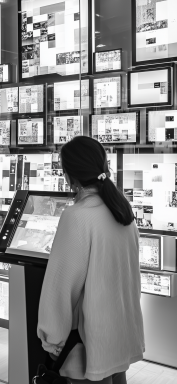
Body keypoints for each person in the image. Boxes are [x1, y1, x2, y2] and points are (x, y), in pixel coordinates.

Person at [37, 136, 145, 384]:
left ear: (70, 176)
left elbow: (61, 287)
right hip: (119, 340)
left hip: (88, 350)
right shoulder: (122, 211)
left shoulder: (77, 216)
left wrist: (51, 338)